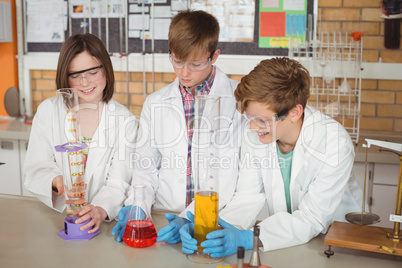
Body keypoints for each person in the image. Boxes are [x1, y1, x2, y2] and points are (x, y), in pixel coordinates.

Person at [180, 57, 364, 257]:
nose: (251, 127)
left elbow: (312, 219)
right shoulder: (257, 134)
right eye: (249, 118)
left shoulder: (333, 142)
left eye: (261, 120)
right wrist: (218, 232)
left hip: (339, 245)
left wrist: (248, 238)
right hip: (290, 242)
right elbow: (247, 196)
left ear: (295, 112)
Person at [112, 10, 243, 243]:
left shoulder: (238, 100)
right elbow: (146, 167)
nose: (184, 72)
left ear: (214, 56)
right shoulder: (155, 103)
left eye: (195, 64)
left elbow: (233, 175)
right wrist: (138, 206)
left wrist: (190, 217)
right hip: (165, 220)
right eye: (177, 61)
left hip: (217, 223)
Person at [24, 33, 137, 234]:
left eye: (93, 72)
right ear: (64, 76)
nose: (85, 82)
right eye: (75, 75)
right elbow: (36, 165)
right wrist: (55, 180)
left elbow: (119, 182)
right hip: (56, 218)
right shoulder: (49, 111)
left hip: (101, 224)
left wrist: (100, 210)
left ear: (106, 69)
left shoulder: (124, 120)